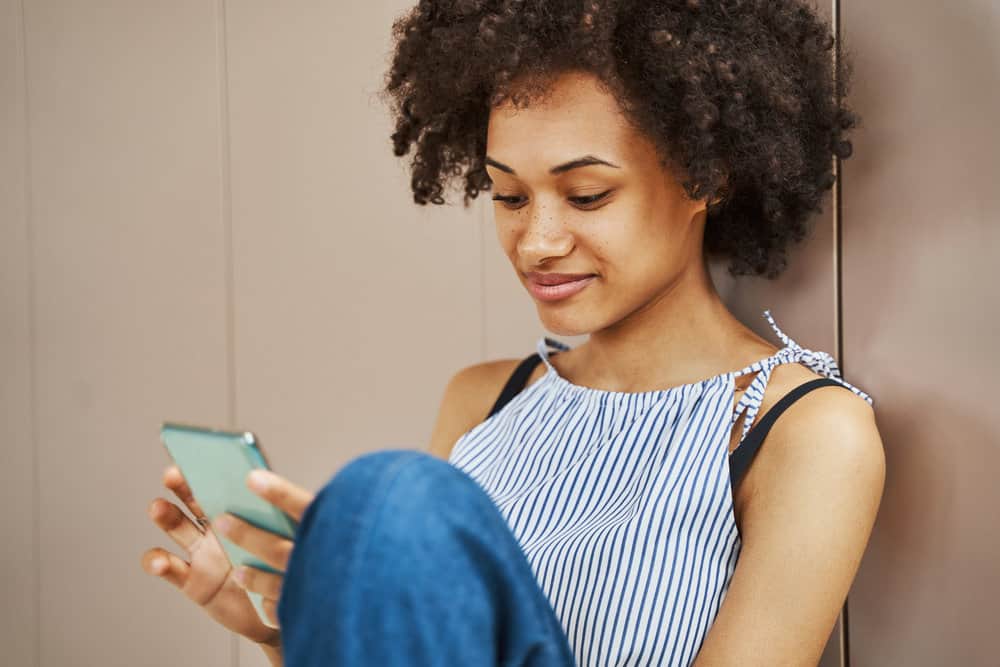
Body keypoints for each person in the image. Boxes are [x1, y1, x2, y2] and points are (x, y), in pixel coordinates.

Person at [141, 1, 887, 665]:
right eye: (509, 196)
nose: (536, 242)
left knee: (391, 497)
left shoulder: (805, 432)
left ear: (706, 175)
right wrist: (286, 635)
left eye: (586, 195)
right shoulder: (483, 403)